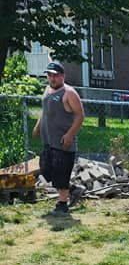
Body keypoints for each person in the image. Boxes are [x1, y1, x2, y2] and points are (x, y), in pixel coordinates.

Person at [31, 60, 85, 214]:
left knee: (61, 173)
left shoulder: (69, 93)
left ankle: (62, 205)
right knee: (47, 171)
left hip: (63, 142)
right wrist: (37, 127)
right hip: (48, 139)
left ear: (62, 76)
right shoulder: (47, 90)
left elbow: (80, 116)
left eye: (55, 75)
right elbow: (44, 111)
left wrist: (70, 135)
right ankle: (74, 189)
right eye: (49, 75)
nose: (52, 79)